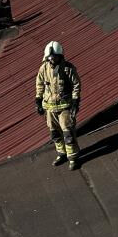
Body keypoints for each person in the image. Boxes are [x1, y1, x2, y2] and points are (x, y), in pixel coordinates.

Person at [35, 41, 82, 171]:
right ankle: (62, 154)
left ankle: (73, 158)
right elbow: (40, 85)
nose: (52, 59)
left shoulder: (68, 68)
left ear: (60, 56)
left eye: (55, 56)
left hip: (65, 107)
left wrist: (75, 102)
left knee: (68, 133)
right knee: (55, 134)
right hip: (50, 108)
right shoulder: (43, 68)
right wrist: (38, 100)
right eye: (50, 57)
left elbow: (76, 85)